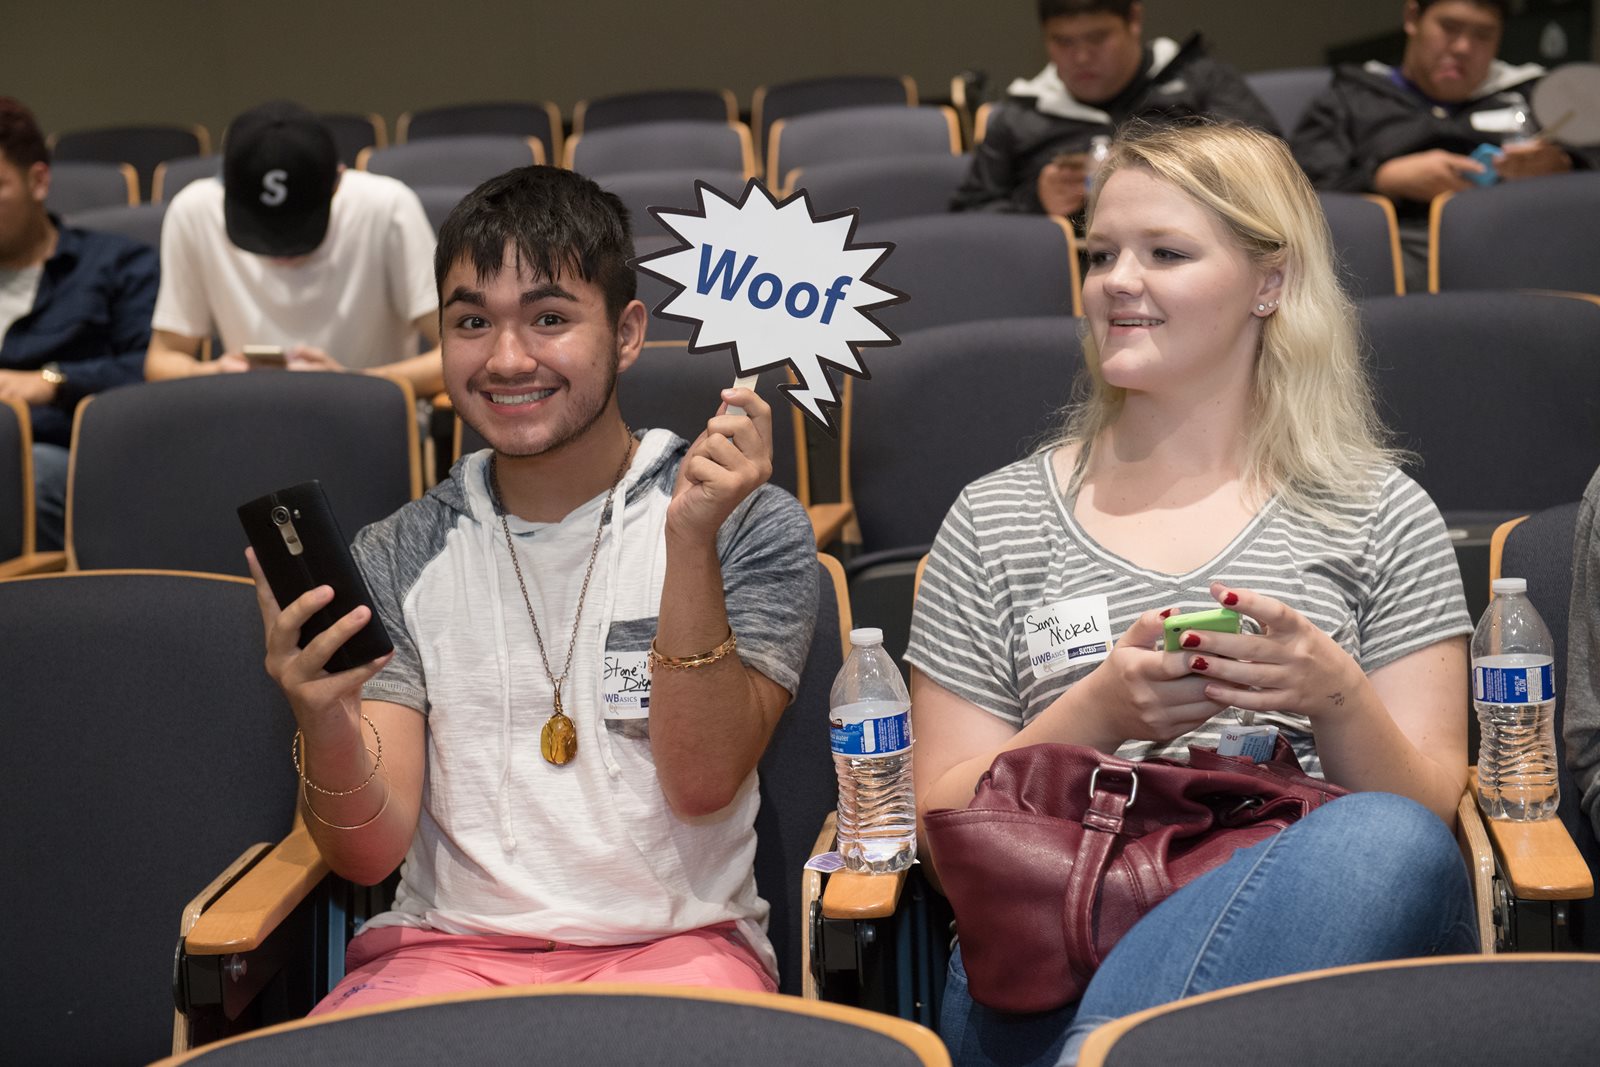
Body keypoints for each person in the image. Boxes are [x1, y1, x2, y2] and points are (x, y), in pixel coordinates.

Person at [908, 122, 1477, 1067]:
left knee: (1382, 839)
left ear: (1270, 282)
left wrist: (1332, 697)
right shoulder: (995, 517)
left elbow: (1426, 814)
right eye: (1101, 254)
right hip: (1058, 955)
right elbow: (942, 832)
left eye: (1165, 252)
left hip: (1316, 954)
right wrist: (1095, 710)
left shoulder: (1379, 512)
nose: (1116, 281)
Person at [245, 164, 817, 1013]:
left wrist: (689, 543)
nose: (507, 359)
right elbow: (367, 856)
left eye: (549, 318)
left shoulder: (744, 522)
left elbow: (702, 783)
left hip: (677, 954)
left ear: (626, 333)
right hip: (441, 958)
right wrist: (323, 714)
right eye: (472, 321)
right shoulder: (398, 550)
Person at [1291, 0, 1598, 290]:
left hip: (1523, 249)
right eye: (1449, 28)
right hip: (1398, 256)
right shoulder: (1352, 98)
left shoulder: (1533, 95)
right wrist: (1384, 179)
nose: (1464, 47)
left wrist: (1562, 165)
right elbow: (1299, 188)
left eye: (1483, 35)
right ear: (1413, 18)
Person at [145, 101, 442, 394]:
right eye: (260, 229)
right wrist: (217, 374)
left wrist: (354, 384)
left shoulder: (388, 207)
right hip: (248, 411)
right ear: (225, 190)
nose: (281, 253)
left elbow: (455, 354)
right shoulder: (194, 211)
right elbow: (162, 359)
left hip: (369, 417)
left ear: (338, 180)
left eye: (300, 226)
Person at [0, 97, 158, 552]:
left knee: (26, 474)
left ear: (38, 180)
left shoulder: (117, 264)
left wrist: (53, 382)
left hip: (67, 455)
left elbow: (150, 371)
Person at [952, 0, 1278, 217]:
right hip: (1066, 282)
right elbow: (968, 223)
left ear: (1133, 19)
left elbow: (1275, 169)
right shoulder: (1019, 115)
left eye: (1097, 38)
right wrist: (1035, 203)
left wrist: (1177, 178)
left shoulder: (1199, 81)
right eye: (1063, 42)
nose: (1080, 57)